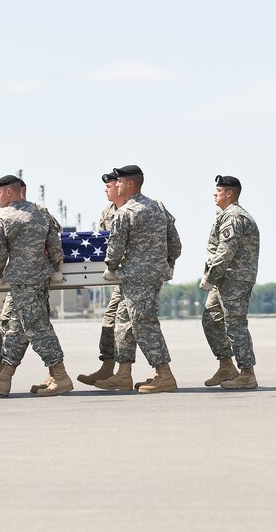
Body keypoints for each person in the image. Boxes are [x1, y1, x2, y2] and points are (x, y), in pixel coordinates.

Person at [0, 175, 72, 397]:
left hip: (21, 280)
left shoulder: (4, 217)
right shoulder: (41, 212)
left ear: (9, 192)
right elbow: (54, 243)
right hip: (41, 277)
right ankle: (3, 378)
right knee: (16, 329)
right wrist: (55, 267)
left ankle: (61, 376)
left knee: (37, 328)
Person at [95, 165, 182, 394]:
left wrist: (111, 268)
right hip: (150, 275)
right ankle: (123, 374)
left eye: (121, 182)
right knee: (123, 322)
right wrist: (165, 263)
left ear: (130, 184)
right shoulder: (158, 207)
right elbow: (175, 244)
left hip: (135, 276)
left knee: (144, 324)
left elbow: (114, 249)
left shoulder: (126, 212)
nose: (117, 185)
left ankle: (164, 374)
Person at [199, 175, 260, 390]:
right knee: (211, 320)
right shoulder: (225, 215)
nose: (215, 194)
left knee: (235, 324)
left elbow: (225, 253)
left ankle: (247, 373)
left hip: (234, 280)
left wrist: (209, 278)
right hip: (225, 280)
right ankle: (226, 366)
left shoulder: (234, 217)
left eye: (219, 190)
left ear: (230, 193)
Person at [77, 171, 127, 386]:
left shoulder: (137, 210)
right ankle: (108, 367)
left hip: (139, 275)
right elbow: (102, 245)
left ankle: (154, 371)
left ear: (120, 185)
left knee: (135, 326)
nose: (106, 190)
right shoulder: (107, 213)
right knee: (110, 320)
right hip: (120, 278)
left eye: (109, 186)